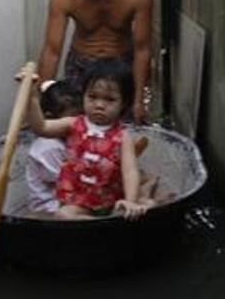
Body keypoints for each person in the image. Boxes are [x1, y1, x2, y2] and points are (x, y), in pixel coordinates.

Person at [37, 0, 153, 124]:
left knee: (121, 129)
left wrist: (138, 101)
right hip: (81, 66)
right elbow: (51, 51)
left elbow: (142, 49)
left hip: (121, 64)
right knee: (75, 127)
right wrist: (40, 100)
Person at [25, 59, 150, 220]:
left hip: (111, 202)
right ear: (83, 95)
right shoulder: (72, 124)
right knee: (63, 214)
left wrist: (130, 201)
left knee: (145, 206)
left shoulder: (122, 136)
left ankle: (110, 219)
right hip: (78, 204)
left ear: (123, 104)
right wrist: (32, 99)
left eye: (109, 100)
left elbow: (129, 171)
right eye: (92, 97)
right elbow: (40, 127)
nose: (99, 105)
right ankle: (99, 225)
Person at [25, 80, 81, 213]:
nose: (78, 125)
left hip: (72, 197)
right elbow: (67, 185)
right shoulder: (49, 147)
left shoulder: (71, 138)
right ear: (50, 118)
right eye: (72, 119)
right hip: (51, 206)